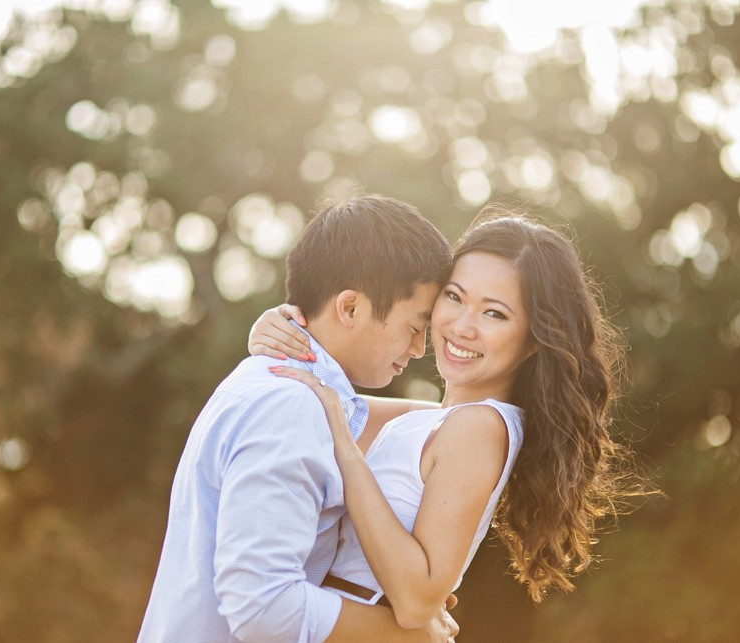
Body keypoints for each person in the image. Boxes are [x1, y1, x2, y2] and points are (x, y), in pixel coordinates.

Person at [249, 208, 641, 626]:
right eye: (454, 297)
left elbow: (418, 600)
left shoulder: (479, 428)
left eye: (495, 313)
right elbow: (325, 400)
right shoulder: (434, 421)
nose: (462, 326)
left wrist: (348, 457)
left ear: (533, 340)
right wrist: (278, 327)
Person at [137, 195, 458, 642]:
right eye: (414, 326)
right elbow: (262, 605)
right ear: (350, 309)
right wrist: (409, 636)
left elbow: (446, 421)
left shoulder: (291, 390)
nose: (419, 348)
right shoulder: (290, 404)